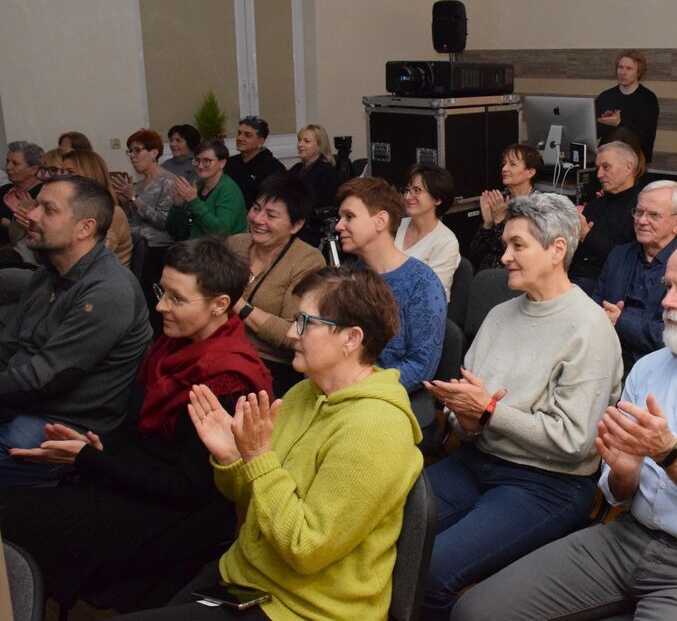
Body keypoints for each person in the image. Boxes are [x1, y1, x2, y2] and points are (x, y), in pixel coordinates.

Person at [451, 238, 677, 621]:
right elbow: (618, 492)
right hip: (628, 539)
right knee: (476, 611)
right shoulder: (649, 368)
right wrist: (625, 474)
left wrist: (670, 454)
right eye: (667, 287)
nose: (667, 302)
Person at [117, 266, 424, 621]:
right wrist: (234, 459)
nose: (291, 333)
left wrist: (258, 456)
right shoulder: (304, 393)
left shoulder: (375, 428)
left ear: (351, 339)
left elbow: (305, 548)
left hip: (302, 608)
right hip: (247, 577)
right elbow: (253, 505)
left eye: (305, 322)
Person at [0, 238, 273, 612]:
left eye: (177, 298)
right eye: (162, 291)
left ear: (220, 305)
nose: (160, 305)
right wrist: (97, 451)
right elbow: (143, 439)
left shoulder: (227, 379)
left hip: (175, 518)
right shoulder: (175, 346)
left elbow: (185, 489)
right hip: (137, 486)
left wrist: (89, 460)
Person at [421, 193, 624, 620]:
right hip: (477, 459)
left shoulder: (589, 330)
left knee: (433, 569)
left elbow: (573, 442)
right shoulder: (500, 315)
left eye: (518, 245)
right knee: (390, 526)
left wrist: (491, 414)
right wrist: (471, 421)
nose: (506, 256)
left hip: (546, 485)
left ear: (557, 250)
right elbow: (466, 405)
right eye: (506, 244)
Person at [0, 176, 151, 487]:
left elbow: (46, 379)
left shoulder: (108, 290)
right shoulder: (48, 273)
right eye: (36, 205)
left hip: (69, 426)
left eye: (48, 210)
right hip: (28, 404)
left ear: (84, 228)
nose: (32, 215)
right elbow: (9, 346)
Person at [335, 177, 445, 391]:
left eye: (349, 217)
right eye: (340, 218)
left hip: (387, 397)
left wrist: (362, 388)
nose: (339, 226)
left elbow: (421, 366)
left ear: (380, 221)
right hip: (341, 388)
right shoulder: (347, 277)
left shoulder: (421, 283)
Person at [227, 172, 326, 395]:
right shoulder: (235, 244)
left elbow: (294, 333)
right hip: (224, 351)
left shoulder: (307, 261)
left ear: (296, 225)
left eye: (271, 215)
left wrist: (238, 304)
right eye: (255, 208)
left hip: (271, 367)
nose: (258, 220)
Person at [592, 180, 677, 376]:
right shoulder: (619, 255)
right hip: (605, 359)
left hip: (662, 369)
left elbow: (674, 335)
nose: (642, 220)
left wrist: (621, 320)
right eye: (638, 212)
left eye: (653, 215)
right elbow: (595, 310)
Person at [568, 141, 641, 295]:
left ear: (628, 168)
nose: (599, 174)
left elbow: (626, 259)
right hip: (573, 277)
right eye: (598, 168)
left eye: (606, 167)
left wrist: (587, 235)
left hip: (609, 285)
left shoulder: (642, 209)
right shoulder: (595, 205)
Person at [469, 143, 542, 271]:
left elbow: (516, 252)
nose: (504, 168)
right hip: (485, 275)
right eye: (504, 163)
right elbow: (475, 253)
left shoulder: (537, 206)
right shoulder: (499, 201)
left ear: (530, 172)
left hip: (512, 276)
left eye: (512, 164)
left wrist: (499, 220)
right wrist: (487, 224)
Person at [395, 164, 460, 299]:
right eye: (407, 190)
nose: (407, 197)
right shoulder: (396, 226)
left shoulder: (446, 242)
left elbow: (433, 296)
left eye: (417, 190)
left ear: (437, 199)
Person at [62, 149, 134, 267]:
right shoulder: (74, 210)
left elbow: (85, 260)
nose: (63, 178)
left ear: (89, 175)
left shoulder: (113, 213)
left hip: (106, 279)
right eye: (61, 172)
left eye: (70, 172)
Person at [166, 140, 247, 240]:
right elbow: (172, 231)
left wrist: (194, 201)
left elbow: (221, 232)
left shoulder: (228, 190)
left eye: (206, 161)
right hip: (190, 250)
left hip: (219, 253)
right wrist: (177, 207)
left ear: (222, 163)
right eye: (197, 160)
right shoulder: (198, 185)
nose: (200, 166)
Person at [595, 50, 660, 163]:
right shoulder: (606, 96)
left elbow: (646, 136)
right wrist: (601, 122)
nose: (623, 72)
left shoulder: (648, 99)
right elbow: (595, 133)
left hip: (635, 160)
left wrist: (619, 123)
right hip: (606, 159)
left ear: (638, 73)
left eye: (628, 69)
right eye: (620, 67)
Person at [292, 124, 342, 247]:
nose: (300, 145)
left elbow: (320, 204)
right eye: (299, 140)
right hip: (295, 220)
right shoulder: (296, 169)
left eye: (306, 141)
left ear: (320, 146)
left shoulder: (327, 172)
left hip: (313, 227)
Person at [224, 116, 285, 208]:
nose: (240, 138)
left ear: (261, 141)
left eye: (247, 135)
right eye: (239, 133)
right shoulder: (230, 162)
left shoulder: (274, 168)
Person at [1, 141, 44, 239]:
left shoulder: (42, 193)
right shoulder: (5, 189)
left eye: (15, 164)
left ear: (33, 169)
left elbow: (36, 229)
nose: (8, 168)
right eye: (7, 161)